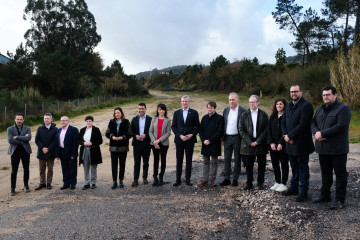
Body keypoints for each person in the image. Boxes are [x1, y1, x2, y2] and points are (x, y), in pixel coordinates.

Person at [311, 86, 351, 209]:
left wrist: (323, 133)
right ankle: (325, 195)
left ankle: (339, 200)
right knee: (325, 173)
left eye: (328, 94)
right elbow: (313, 123)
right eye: (324, 95)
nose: (325, 97)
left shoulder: (343, 108)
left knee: (340, 174)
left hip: (337, 148)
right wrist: (316, 133)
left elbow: (342, 126)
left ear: (335, 95)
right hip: (322, 148)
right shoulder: (320, 109)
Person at [281, 85, 314, 202]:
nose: (293, 93)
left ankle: (303, 192)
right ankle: (294, 188)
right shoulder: (289, 105)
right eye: (291, 92)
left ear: (301, 92)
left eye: (295, 91)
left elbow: (303, 125)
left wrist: (290, 136)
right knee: (294, 167)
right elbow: (283, 122)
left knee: (303, 168)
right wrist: (285, 135)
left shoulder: (307, 106)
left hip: (302, 143)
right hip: (289, 143)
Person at [239, 95, 269, 190]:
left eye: (253, 102)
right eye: (250, 102)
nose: (251, 104)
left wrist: (258, 141)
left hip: (261, 144)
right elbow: (241, 130)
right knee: (249, 165)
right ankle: (249, 183)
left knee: (261, 165)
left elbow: (266, 129)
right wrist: (249, 142)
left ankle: (260, 183)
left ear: (258, 102)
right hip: (248, 144)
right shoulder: (244, 115)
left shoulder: (264, 114)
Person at [172, 95, 200, 186]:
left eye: (186, 101)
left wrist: (192, 134)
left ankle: (188, 179)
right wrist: (179, 135)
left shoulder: (194, 112)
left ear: (189, 102)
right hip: (179, 140)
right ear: (181, 102)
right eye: (183, 101)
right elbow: (174, 126)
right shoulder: (176, 113)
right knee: (179, 160)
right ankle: (178, 179)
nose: (184, 103)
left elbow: (198, 126)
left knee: (189, 160)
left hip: (190, 140)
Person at [221, 92, 246, 187]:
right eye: (230, 100)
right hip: (227, 138)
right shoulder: (226, 110)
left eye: (233, 99)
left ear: (237, 100)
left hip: (237, 138)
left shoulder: (243, 111)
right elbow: (224, 124)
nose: (231, 101)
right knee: (226, 159)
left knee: (237, 159)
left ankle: (235, 178)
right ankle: (227, 178)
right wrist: (222, 138)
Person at [197, 101, 224, 187]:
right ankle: (205, 179)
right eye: (208, 108)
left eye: (211, 108)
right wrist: (203, 140)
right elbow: (200, 130)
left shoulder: (219, 118)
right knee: (206, 162)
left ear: (214, 108)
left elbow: (219, 131)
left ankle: (212, 179)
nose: (210, 109)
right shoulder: (204, 118)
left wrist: (210, 140)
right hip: (205, 143)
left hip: (214, 143)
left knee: (214, 162)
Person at [105, 107, 131, 189]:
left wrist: (122, 137)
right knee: (114, 164)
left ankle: (121, 181)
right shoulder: (111, 122)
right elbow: (107, 132)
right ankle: (114, 181)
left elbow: (129, 133)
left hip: (123, 146)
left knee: (122, 164)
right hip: (113, 147)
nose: (117, 114)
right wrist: (111, 137)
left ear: (121, 113)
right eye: (116, 113)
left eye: (118, 113)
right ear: (114, 114)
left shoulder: (126, 122)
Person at [267, 98, 289, 192]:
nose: (278, 106)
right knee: (275, 164)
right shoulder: (272, 116)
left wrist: (280, 143)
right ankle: (277, 182)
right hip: (273, 145)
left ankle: (283, 183)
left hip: (282, 145)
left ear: (284, 105)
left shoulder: (287, 116)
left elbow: (286, 131)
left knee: (284, 164)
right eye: (277, 104)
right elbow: (268, 130)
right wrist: (271, 142)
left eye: (280, 104)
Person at [7, 113, 32, 196]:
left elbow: (28, 138)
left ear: (23, 120)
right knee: (14, 170)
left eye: (21, 119)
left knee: (26, 169)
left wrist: (17, 137)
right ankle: (12, 188)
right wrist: (23, 140)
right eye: (18, 119)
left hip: (25, 151)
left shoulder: (27, 128)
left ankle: (26, 185)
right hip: (15, 152)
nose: (19, 121)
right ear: (15, 119)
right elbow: (10, 140)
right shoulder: (9, 129)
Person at [149, 103, 171, 186]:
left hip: (164, 143)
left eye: (162, 110)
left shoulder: (168, 120)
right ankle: (155, 177)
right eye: (159, 110)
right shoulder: (154, 119)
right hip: (154, 143)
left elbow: (168, 133)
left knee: (163, 160)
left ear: (165, 110)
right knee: (156, 160)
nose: (161, 111)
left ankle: (161, 177)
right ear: (157, 110)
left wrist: (159, 141)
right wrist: (154, 141)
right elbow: (150, 131)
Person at [78, 116, 103, 190]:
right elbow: (78, 140)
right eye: (87, 121)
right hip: (84, 150)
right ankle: (86, 183)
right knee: (85, 166)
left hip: (94, 150)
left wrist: (92, 143)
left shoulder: (96, 129)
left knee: (93, 166)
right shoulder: (82, 130)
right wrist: (83, 143)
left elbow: (100, 141)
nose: (88, 122)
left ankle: (93, 183)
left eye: (90, 121)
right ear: (85, 122)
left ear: (92, 122)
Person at [34, 113, 58, 190]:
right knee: (41, 169)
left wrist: (48, 148)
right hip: (41, 152)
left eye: (48, 118)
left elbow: (55, 141)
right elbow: (37, 140)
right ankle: (42, 183)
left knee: (50, 169)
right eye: (45, 118)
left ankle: (49, 183)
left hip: (51, 152)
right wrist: (42, 148)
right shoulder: (39, 129)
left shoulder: (55, 129)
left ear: (51, 120)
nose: (46, 120)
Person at [131, 103, 152, 187]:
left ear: (145, 109)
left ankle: (145, 178)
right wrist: (135, 135)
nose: (141, 110)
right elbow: (131, 130)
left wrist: (146, 135)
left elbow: (152, 131)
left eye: (142, 108)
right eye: (139, 108)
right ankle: (135, 180)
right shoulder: (134, 119)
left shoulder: (150, 119)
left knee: (146, 162)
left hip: (146, 143)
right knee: (137, 162)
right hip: (137, 144)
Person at [55, 116, 79, 190]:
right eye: (61, 120)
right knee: (64, 168)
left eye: (64, 120)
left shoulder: (74, 130)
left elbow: (76, 143)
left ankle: (72, 183)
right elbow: (57, 143)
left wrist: (73, 154)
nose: (62, 122)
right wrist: (57, 154)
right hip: (62, 151)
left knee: (72, 168)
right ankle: (66, 183)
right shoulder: (59, 130)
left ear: (68, 121)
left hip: (71, 152)